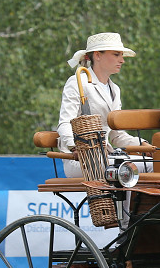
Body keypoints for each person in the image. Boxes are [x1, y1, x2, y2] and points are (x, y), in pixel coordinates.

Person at [57, 32, 152, 178]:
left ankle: (136, 202)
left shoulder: (115, 89)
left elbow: (116, 134)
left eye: (121, 55)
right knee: (126, 168)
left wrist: (142, 144)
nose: (122, 60)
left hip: (106, 157)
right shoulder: (77, 82)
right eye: (116, 54)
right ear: (97, 55)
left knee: (153, 163)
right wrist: (74, 146)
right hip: (79, 159)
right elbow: (64, 123)